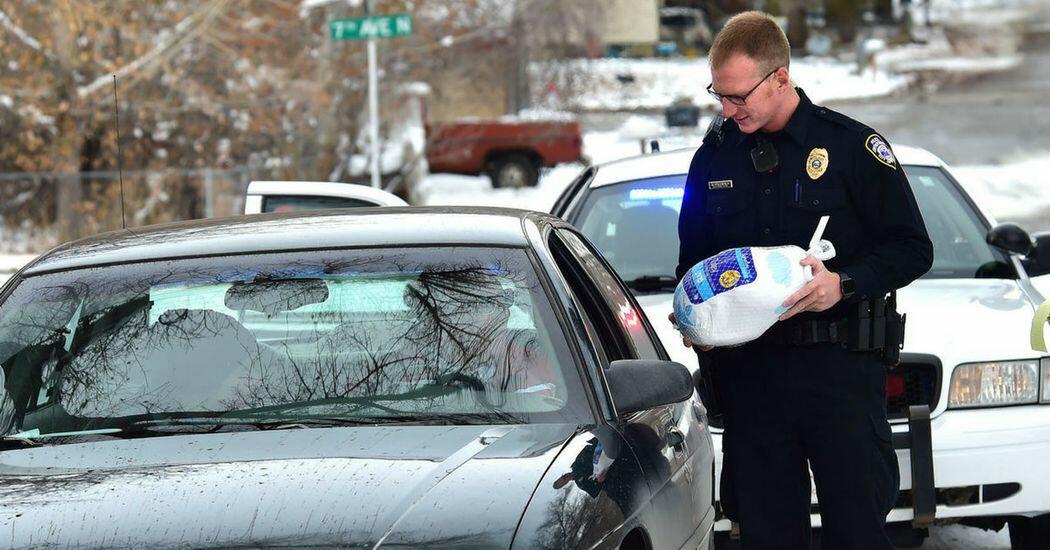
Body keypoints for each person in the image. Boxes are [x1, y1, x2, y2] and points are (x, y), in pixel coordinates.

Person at [670, 11, 934, 549]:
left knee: (858, 532)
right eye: (718, 95)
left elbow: (913, 248)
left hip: (839, 376)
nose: (727, 109)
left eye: (738, 96)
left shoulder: (851, 149)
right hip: (753, 381)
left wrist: (845, 283)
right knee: (766, 535)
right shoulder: (714, 158)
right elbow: (692, 261)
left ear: (780, 78)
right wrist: (692, 314)